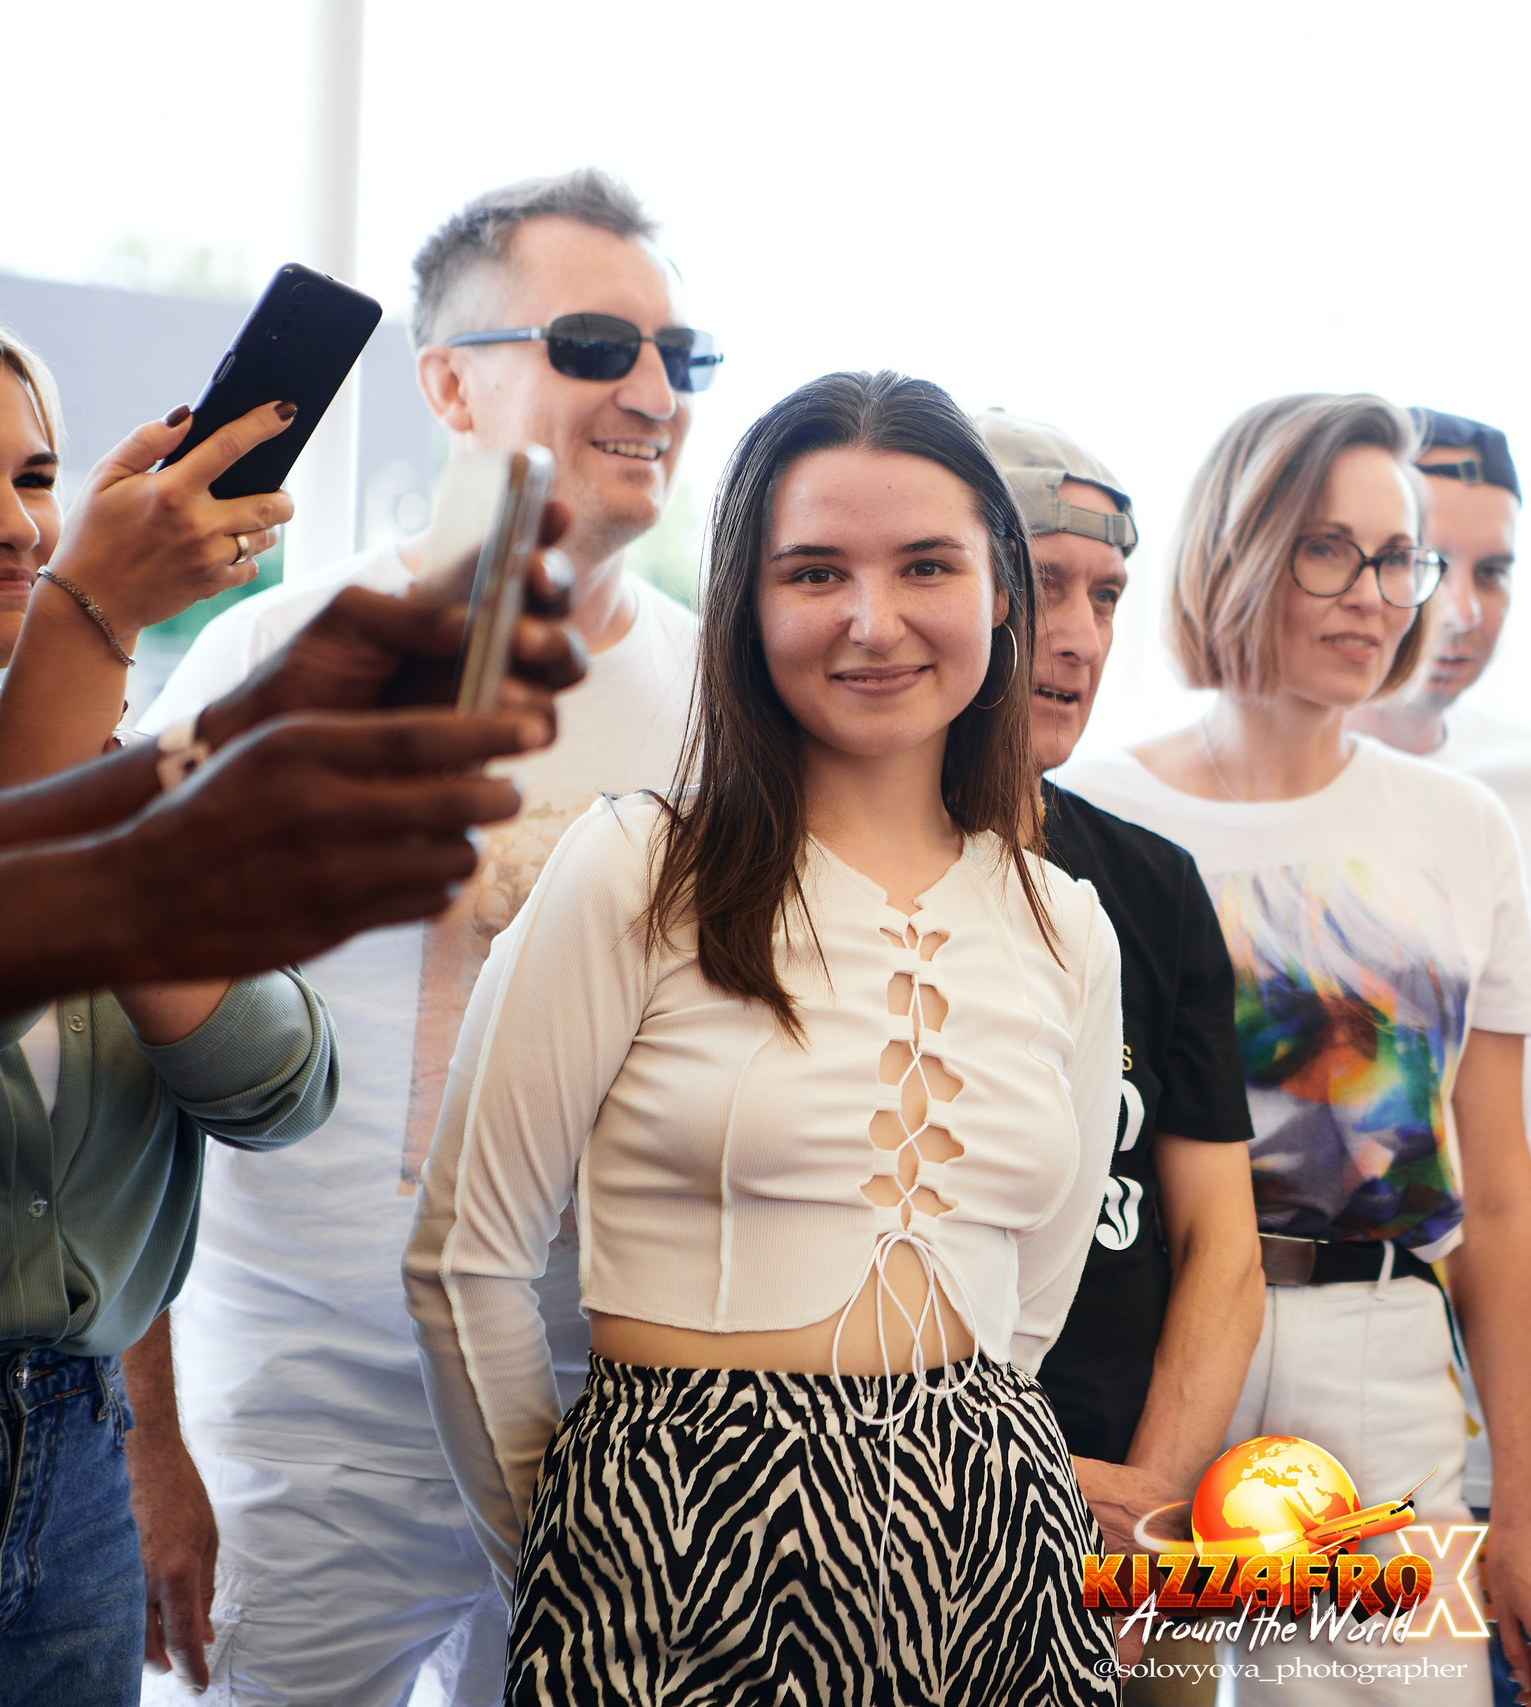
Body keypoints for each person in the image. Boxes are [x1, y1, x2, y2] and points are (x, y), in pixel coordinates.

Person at [407, 370, 1121, 1702]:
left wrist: (950, 1463)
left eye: (925, 565)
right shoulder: (636, 867)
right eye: (813, 571)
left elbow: (1029, 1304)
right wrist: (571, 1553)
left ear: (1000, 590)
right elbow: (466, 1261)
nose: (873, 619)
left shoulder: (1068, 927)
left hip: (1002, 1551)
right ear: (746, 600)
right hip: (669, 1542)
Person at [134, 168, 705, 1706]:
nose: (654, 389)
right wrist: (145, 1435)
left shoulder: (731, 704)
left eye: (681, 354)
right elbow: (116, 1048)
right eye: (595, 342)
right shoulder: (275, 654)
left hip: (616, 1414)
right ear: (446, 380)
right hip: (308, 1406)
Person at [0, 327, 591, 1704]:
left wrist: (209, 753)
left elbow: (279, 1081)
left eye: (34, 473)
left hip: (68, 1457)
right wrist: (109, 643)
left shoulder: (104, 746)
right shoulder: (100, 719)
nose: (16, 524)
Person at [1058, 392, 1531, 1707]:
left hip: (1381, 1350)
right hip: (1144, 1359)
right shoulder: (1084, 813)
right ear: (1239, 546)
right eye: (1328, 548)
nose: (1380, 595)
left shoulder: (1462, 828)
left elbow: (1506, 1193)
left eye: (1400, 557)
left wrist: (1519, 1503)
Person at [1345, 407, 1531, 1707]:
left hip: (1529, 1381)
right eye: (1429, 559)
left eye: (1496, 568)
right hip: (1335, 1379)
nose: (1462, 603)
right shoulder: (1226, 788)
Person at [975, 414, 1262, 1566]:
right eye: (1047, 585)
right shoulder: (823, 871)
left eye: (1108, 596)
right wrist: (1034, 1481)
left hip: (1133, 1513)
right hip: (906, 1490)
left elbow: (1221, 1252)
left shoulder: (1151, 887)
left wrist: (1148, 1499)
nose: (1082, 637)